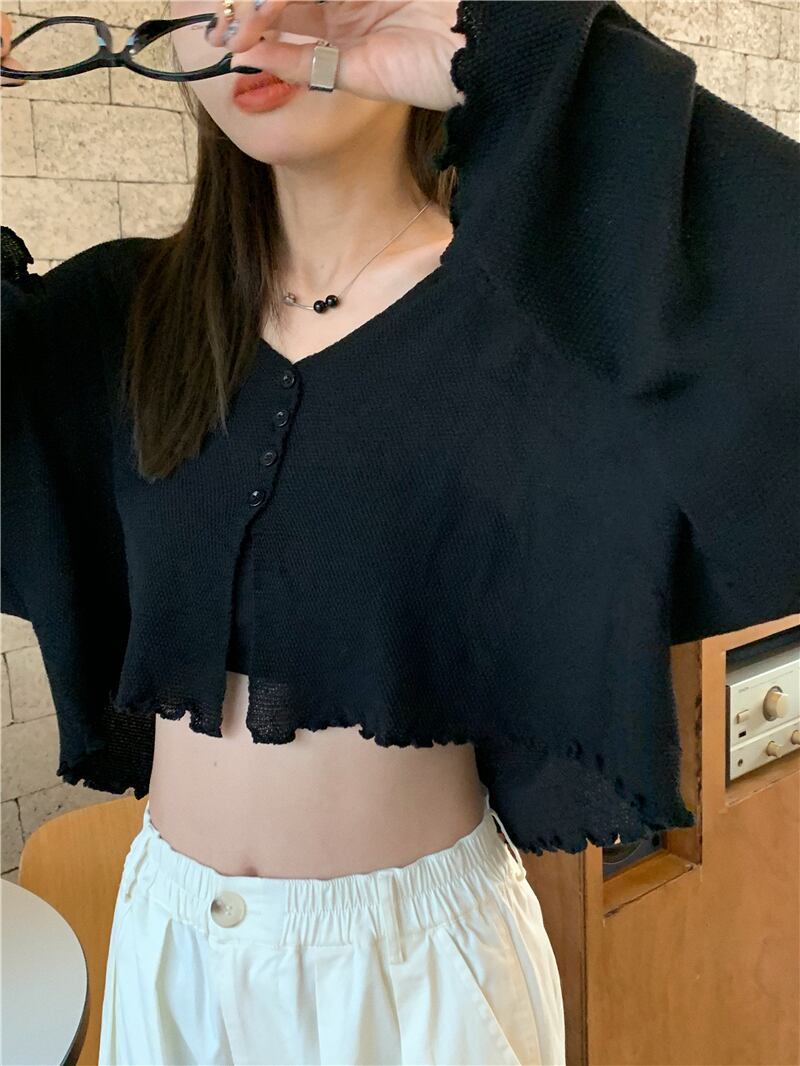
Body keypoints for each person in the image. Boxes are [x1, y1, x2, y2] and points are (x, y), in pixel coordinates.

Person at [1, 2, 797, 1064]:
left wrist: (510, 54)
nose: (249, 24)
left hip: (417, 982)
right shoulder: (117, 316)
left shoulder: (545, 320)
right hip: (171, 952)